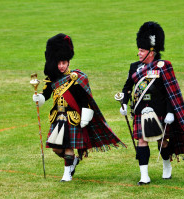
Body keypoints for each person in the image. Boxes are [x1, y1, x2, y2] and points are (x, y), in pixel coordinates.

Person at [120, 21, 184, 185]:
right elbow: (128, 87)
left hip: (160, 110)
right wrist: (125, 103)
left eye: (142, 50)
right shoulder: (134, 67)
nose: (139, 53)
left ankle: (167, 165)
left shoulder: (163, 66)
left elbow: (171, 91)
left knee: (164, 142)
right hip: (141, 110)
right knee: (142, 141)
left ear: (151, 51)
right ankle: (144, 175)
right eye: (139, 50)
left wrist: (170, 111)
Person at [33, 33, 125, 182]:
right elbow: (46, 93)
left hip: (72, 118)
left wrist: (85, 116)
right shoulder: (52, 79)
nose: (61, 66)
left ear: (68, 62)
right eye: (59, 63)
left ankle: (67, 174)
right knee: (56, 148)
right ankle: (72, 161)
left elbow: (84, 100)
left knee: (68, 146)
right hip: (57, 116)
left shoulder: (76, 78)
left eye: (64, 63)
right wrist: (39, 98)